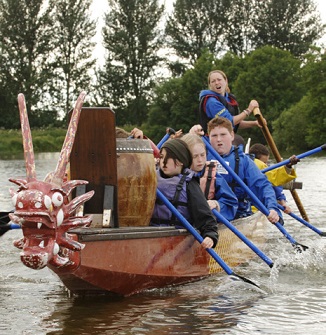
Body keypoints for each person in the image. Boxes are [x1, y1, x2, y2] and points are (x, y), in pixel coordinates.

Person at [206, 117, 282, 224]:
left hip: (236, 214)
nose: (219, 139)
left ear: (232, 135)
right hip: (207, 212)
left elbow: (261, 184)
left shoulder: (244, 161)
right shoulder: (201, 157)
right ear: (208, 138)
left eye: (223, 135)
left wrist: (272, 208)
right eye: (214, 136)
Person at [150, 138, 218, 249]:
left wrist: (210, 235)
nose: (164, 162)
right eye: (161, 157)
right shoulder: (151, 178)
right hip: (151, 238)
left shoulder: (189, 184)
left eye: (169, 158)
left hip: (177, 242)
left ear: (181, 161)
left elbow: (204, 215)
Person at [181, 133, 238, 221]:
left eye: (202, 155)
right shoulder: (175, 173)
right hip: (178, 224)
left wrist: (216, 204)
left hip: (203, 225)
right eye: (195, 156)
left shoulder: (213, 175)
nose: (200, 160)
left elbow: (231, 203)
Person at [199, 70, 262, 134]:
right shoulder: (212, 102)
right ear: (210, 85)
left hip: (226, 138)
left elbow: (236, 123)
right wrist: (248, 110)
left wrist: (255, 123)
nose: (217, 83)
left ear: (226, 81)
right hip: (212, 140)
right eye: (213, 81)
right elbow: (229, 122)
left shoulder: (229, 99)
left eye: (219, 80)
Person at [249, 143, 299, 213]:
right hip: (255, 208)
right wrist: (288, 166)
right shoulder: (258, 165)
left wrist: (282, 201)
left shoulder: (240, 162)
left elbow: (275, 187)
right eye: (264, 163)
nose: (265, 165)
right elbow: (274, 178)